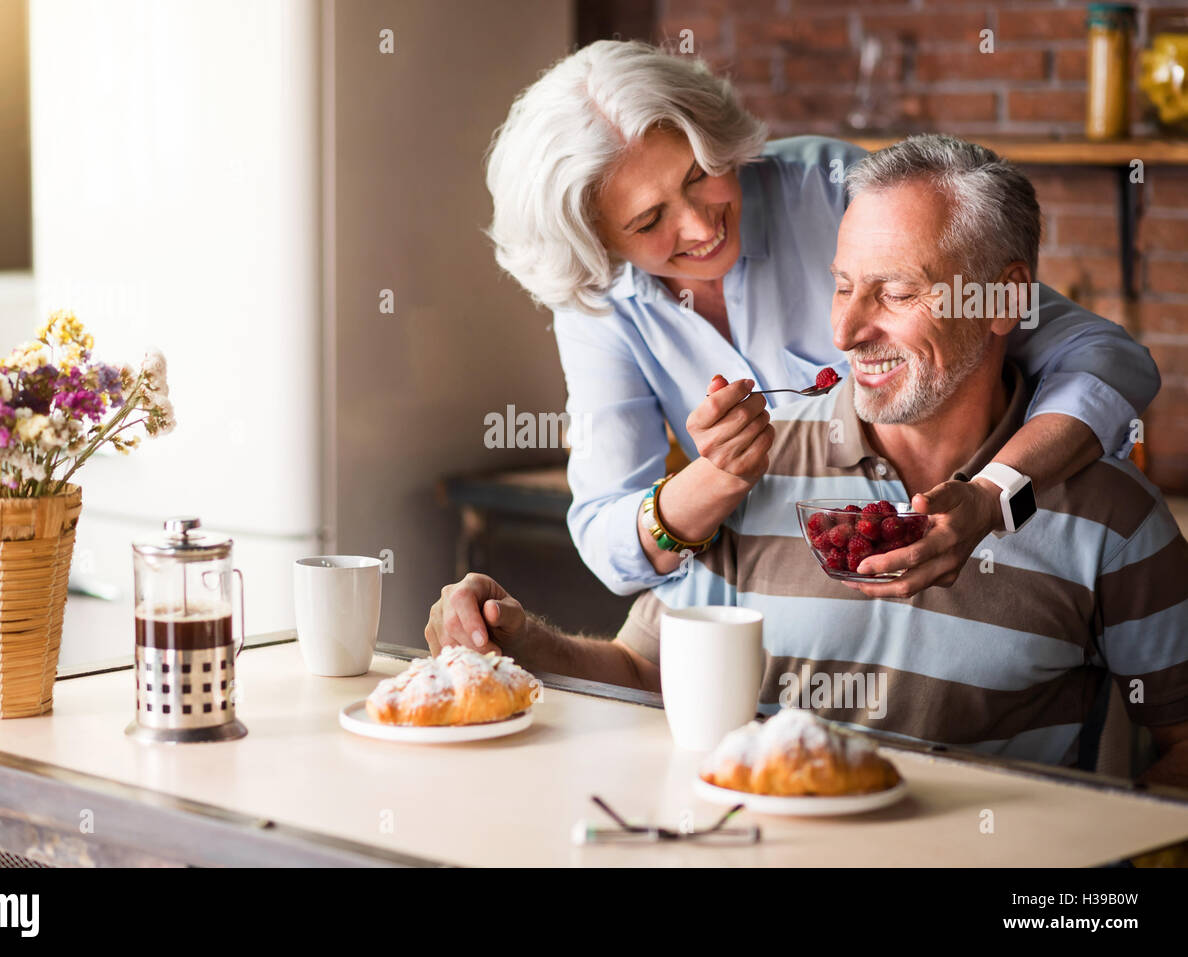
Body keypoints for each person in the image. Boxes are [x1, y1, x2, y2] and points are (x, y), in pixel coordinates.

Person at [435, 134, 1188, 785]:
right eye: (841, 286)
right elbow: (650, 675)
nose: (848, 330)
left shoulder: (1113, 517)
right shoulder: (751, 467)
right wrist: (517, 638)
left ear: (1003, 301)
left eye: (894, 292)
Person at [484, 40, 1160, 605]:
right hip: (759, 614)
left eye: (699, 175)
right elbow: (611, 542)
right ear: (598, 244)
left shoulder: (837, 191)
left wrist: (992, 497)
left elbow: (1111, 361)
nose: (699, 223)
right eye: (648, 221)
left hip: (960, 584)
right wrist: (713, 479)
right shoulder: (600, 298)